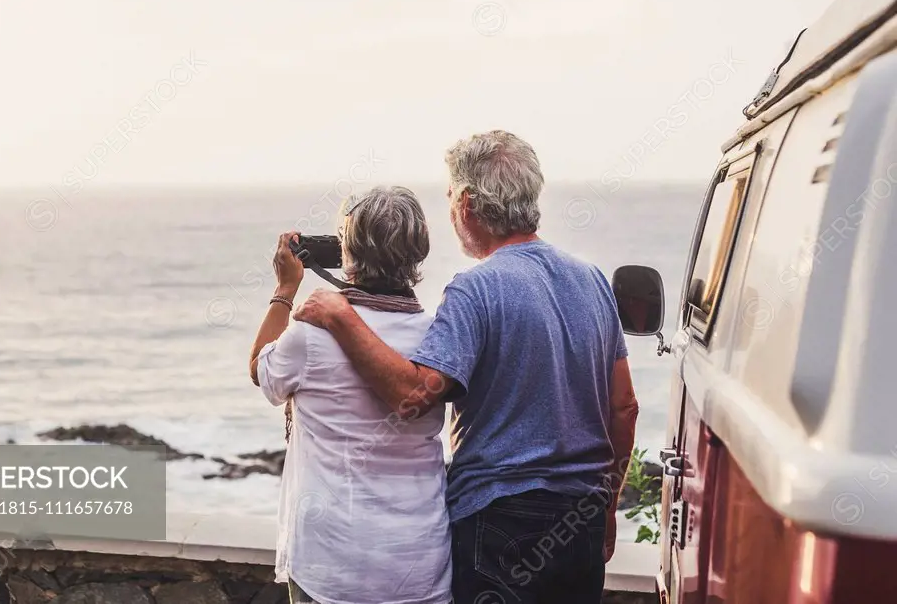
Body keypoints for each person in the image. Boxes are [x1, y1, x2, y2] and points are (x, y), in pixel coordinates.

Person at [294, 131, 639, 604]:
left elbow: (412, 396)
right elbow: (624, 406)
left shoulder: (476, 290)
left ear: (469, 204)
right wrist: (608, 506)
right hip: (580, 519)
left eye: (451, 196)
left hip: (500, 525)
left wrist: (339, 314)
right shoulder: (592, 280)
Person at [248, 186, 451, 604]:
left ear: (348, 251)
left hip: (332, 565)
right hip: (419, 564)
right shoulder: (439, 337)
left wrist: (285, 289)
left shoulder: (312, 335)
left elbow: (260, 369)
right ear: (418, 252)